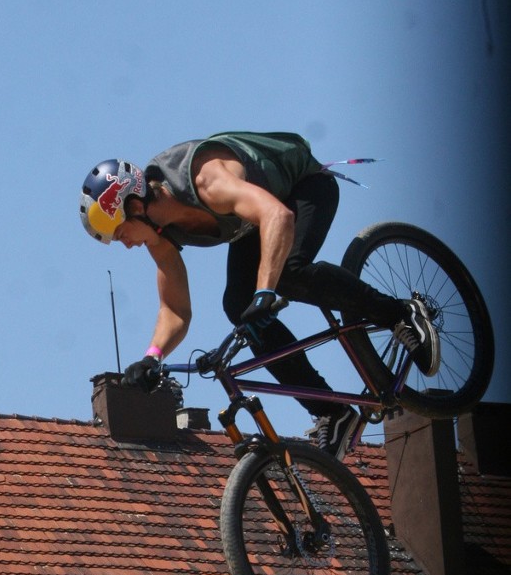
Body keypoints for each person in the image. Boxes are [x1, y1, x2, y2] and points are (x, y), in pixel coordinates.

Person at [79, 132, 440, 459]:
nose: (124, 244)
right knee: (238, 307)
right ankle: (330, 411)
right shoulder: (160, 236)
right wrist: (151, 358)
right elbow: (175, 309)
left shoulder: (206, 181)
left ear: (136, 206)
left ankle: (399, 314)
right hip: (252, 225)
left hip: (302, 189)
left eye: (121, 232)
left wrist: (266, 290)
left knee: (287, 274)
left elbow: (276, 215)